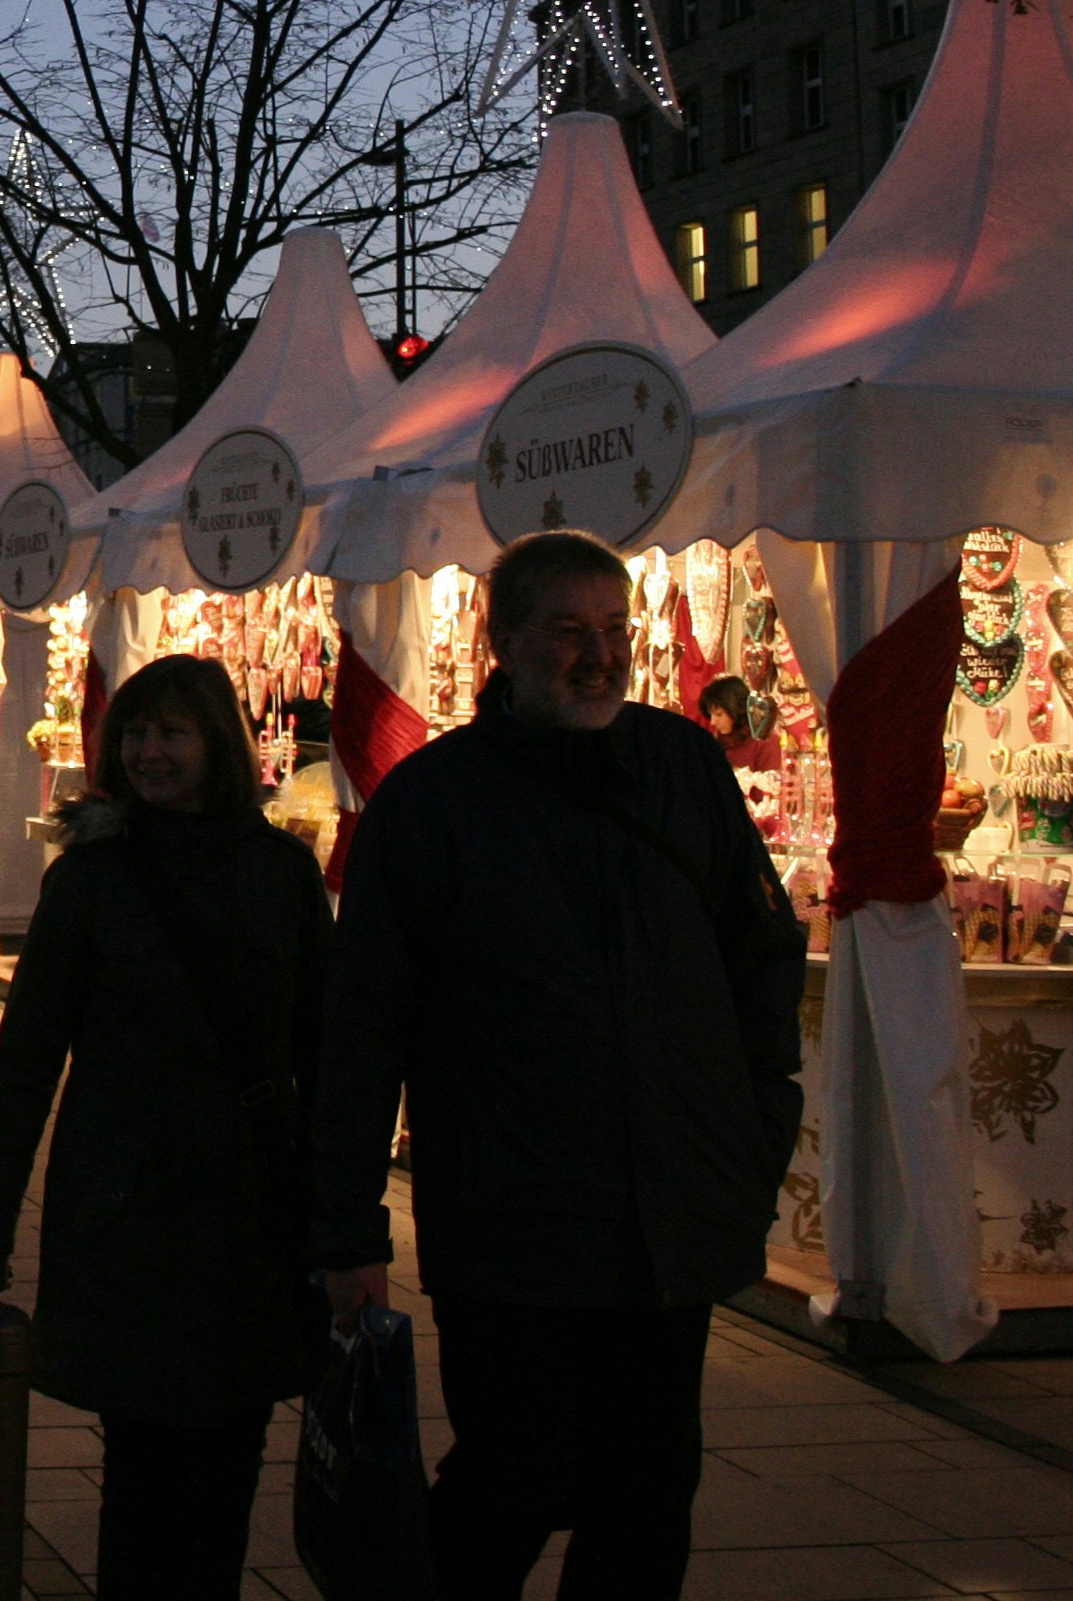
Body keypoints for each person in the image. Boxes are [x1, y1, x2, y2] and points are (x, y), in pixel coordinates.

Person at [314, 529, 806, 1601]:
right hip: (514, 1218)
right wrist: (347, 1225)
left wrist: (759, 1120)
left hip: (669, 1213)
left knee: (648, 1487)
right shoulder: (434, 804)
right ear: (503, 643)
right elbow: (362, 1026)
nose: (599, 656)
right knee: (511, 1477)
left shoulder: (681, 770)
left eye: (614, 631)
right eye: (567, 632)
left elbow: (760, 956)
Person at [0, 655, 332, 1599]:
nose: (148, 753)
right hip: (128, 1203)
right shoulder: (93, 880)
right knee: (144, 1459)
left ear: (218, 744)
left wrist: (344, 1217)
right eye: (134, 734)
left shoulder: (280, 872)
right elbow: (28, 1052)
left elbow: (327, 1053)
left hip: (251, 1206)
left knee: (231, 1450)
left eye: (171, 733)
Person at [697, 672, 779, 776]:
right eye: (710, 714)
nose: (713, 722)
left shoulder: (765, 743)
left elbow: (772, 788)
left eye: (719, 714)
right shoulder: (715, 744)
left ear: (738, 709)